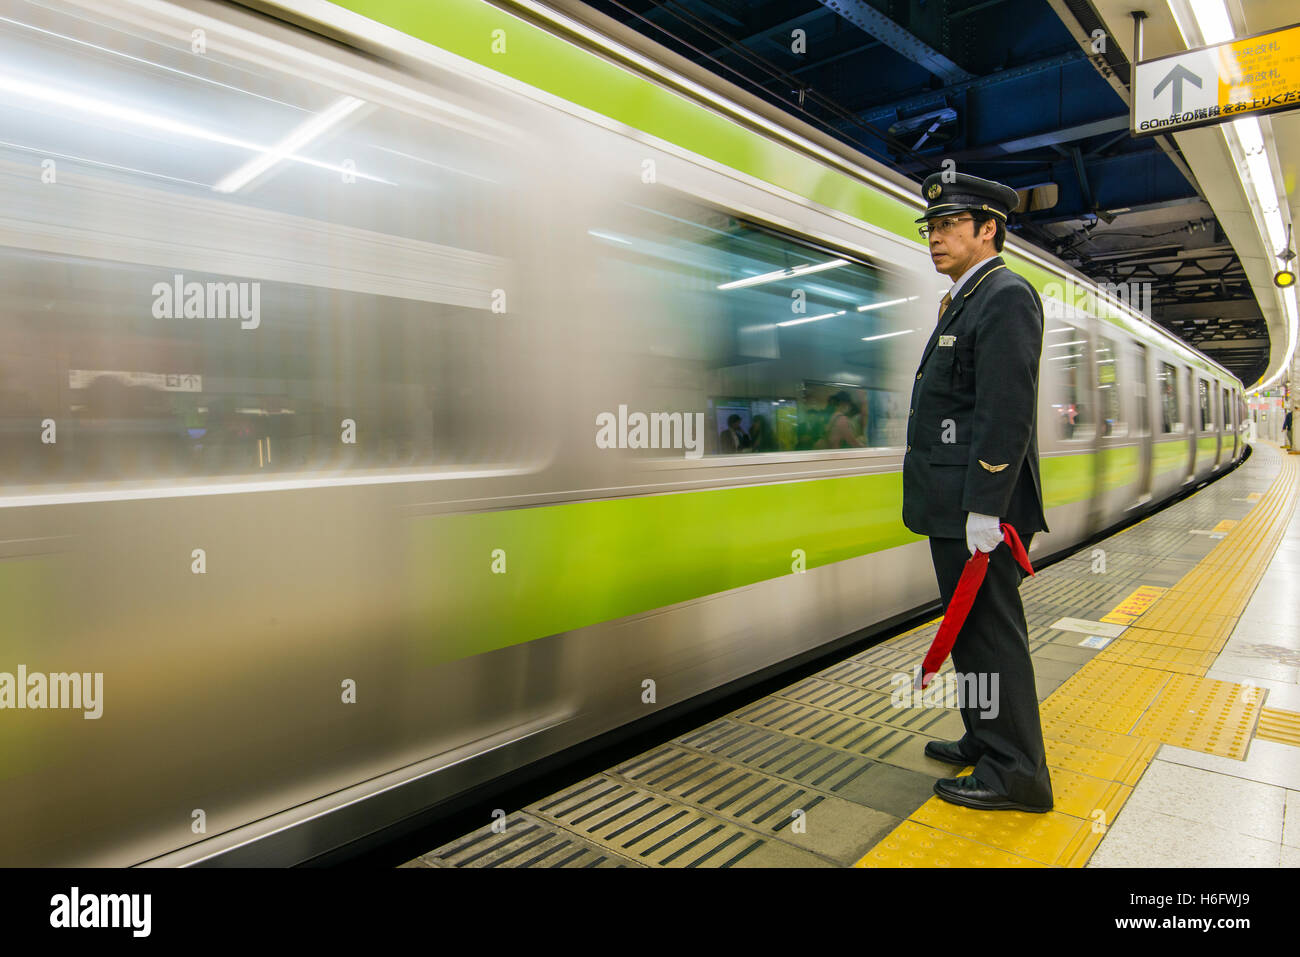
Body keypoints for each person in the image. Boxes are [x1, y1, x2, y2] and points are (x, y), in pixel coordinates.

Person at [902, 171, 1053, 813]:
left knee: (991, 634)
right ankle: (985, 738)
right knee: (969, 631)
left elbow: (1005, 408)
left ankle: (1017, 773)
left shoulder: (1005, 295)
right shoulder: (967, 298)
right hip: (956, 504)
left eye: (948, 225)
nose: (934, 238)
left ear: (988, 229)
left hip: (977, 509)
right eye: (929, 227)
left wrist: (986, 507)